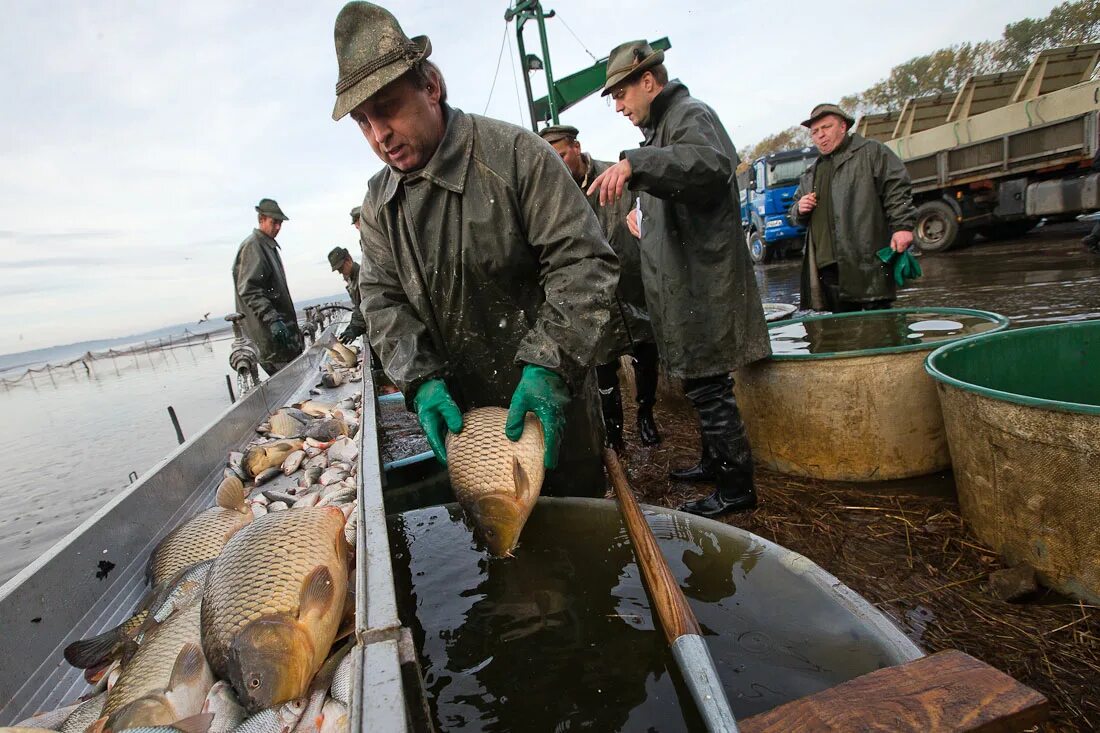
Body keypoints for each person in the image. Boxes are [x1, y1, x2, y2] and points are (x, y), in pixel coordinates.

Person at [330, 2, 620, 495]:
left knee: (576, 539)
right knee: (493, 544)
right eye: (363, 121)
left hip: (549, 402)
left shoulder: (516, 156)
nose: (380, 135)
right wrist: (419, 379)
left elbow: (583, 262)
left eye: (387, 109)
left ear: (431, 87)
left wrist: (551, 362)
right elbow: (382, 302)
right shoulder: (379, 206)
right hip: (465, 430)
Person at [587, 41, 770, 517]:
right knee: (697, 379)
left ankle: (736, 487)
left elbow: (710, 165)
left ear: (648, 81)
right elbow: (676, 189)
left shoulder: (689, 114)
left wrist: (636, 165)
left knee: (710, 386)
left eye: (621, 93)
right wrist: (642, 214)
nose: (619, 106)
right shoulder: (659, 132)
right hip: (683, 283)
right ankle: (713, 462)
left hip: (703, 281)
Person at [538, 124, 662, 450]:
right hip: (594, 300)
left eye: (561, 154)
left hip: (633, 286)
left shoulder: (614, 175)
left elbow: (646, 210)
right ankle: (615, 434)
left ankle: (646, 413)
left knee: (646, 355)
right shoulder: (551, 197)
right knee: (602, 370)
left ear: (576, 148)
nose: (557, 162)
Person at [789, 103, 918, 312]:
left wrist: (903, 226)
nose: (821, 135)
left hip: (866, 260)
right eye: (815, 131)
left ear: (843, 127)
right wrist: (799, 208)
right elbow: (794, 216)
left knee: (879, 324)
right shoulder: (811, 173)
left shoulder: (872, 152)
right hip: (827, 269)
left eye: (826, 127)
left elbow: (896, 187)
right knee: (841, 331)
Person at [231, 198, 303, 376]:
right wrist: (273, 319)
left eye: (280, 223)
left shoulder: (268, 246)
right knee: (289, 385)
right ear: (261, 219)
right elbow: (250, 290)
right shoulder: (254, 246)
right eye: (274, 222)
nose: (278, 227)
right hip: (271, 341)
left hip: (283, 338)